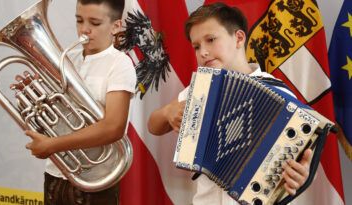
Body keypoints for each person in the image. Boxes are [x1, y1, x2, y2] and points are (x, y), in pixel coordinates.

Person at [147, 2, 313, 205]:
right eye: (197, 46)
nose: (203, 52)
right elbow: (153, 125)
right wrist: (167, 112)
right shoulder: (199, 90)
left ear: (239, 38)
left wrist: (300, 175)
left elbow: (300, 160)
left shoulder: (280, 94)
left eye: (211, 40)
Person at [24, 0, 136, 204]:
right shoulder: (67, 59)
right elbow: (54, 119)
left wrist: (52, 145)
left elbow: (113, 127)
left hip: (97, 179)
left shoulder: (120, 64)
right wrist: (33, 101)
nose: (85, 29)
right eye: (79, 20)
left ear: (116, 26)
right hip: (56, 173)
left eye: (94, 23)